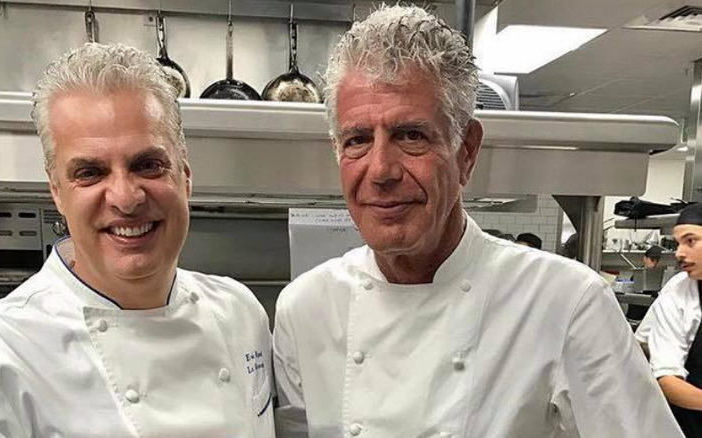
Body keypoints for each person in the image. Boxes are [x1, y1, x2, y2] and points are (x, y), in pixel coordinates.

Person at [272, 6, 682, 438]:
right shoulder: (305, 310)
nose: (381, 171)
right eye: (357, 140)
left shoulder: (564, 303)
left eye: (411, 135)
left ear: (466, 152)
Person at [0, 43, 274, 437]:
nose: (126, 198)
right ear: (57, 190)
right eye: (90, 172)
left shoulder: (241, 312)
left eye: (148, 165)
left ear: (185, 176)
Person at [648, 203, 702, 437]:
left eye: (690, 241)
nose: (679, 253)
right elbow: (667, 379)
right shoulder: (679, 291)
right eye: (678, 243)